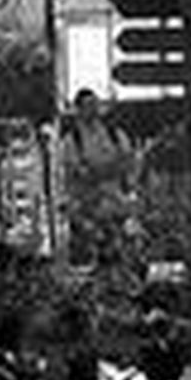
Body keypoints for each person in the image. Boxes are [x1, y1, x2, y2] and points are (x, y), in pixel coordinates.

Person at [61, 87, 137, 262]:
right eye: (88, 105)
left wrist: (98, 170)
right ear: (78, 109)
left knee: (126, 253)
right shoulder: (71, 141)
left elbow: (128, 164)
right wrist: (109, 168)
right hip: (88, 213)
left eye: (95, 104)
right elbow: (81, 174)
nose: (93, 109)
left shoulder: (115, 134)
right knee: (95, 258)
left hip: (118, 207)